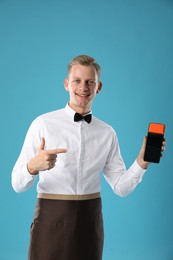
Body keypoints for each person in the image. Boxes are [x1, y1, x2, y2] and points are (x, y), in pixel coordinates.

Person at [11, 55, 165, 260]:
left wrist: (142, 162)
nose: (83, 87)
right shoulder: (42, 124)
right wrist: (32, 167)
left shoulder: (107, 132)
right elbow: (17, 184)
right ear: (67, 84)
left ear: (98, 86)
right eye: (77, 80)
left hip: (89, 225)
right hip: (50, 223)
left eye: (89, 82)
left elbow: (121, 188)